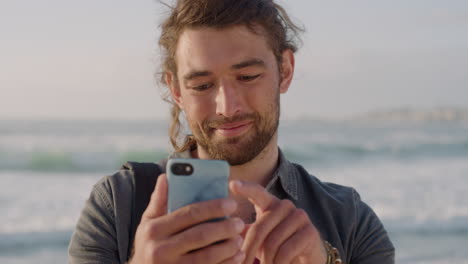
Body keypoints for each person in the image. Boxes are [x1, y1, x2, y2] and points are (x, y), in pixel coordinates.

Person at [68, 0, 395, 263]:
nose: (227, 107)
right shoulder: (117, 206)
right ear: (176, 90)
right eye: (202, 85)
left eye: (248, 76)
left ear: (285, 70)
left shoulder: (349, 220)